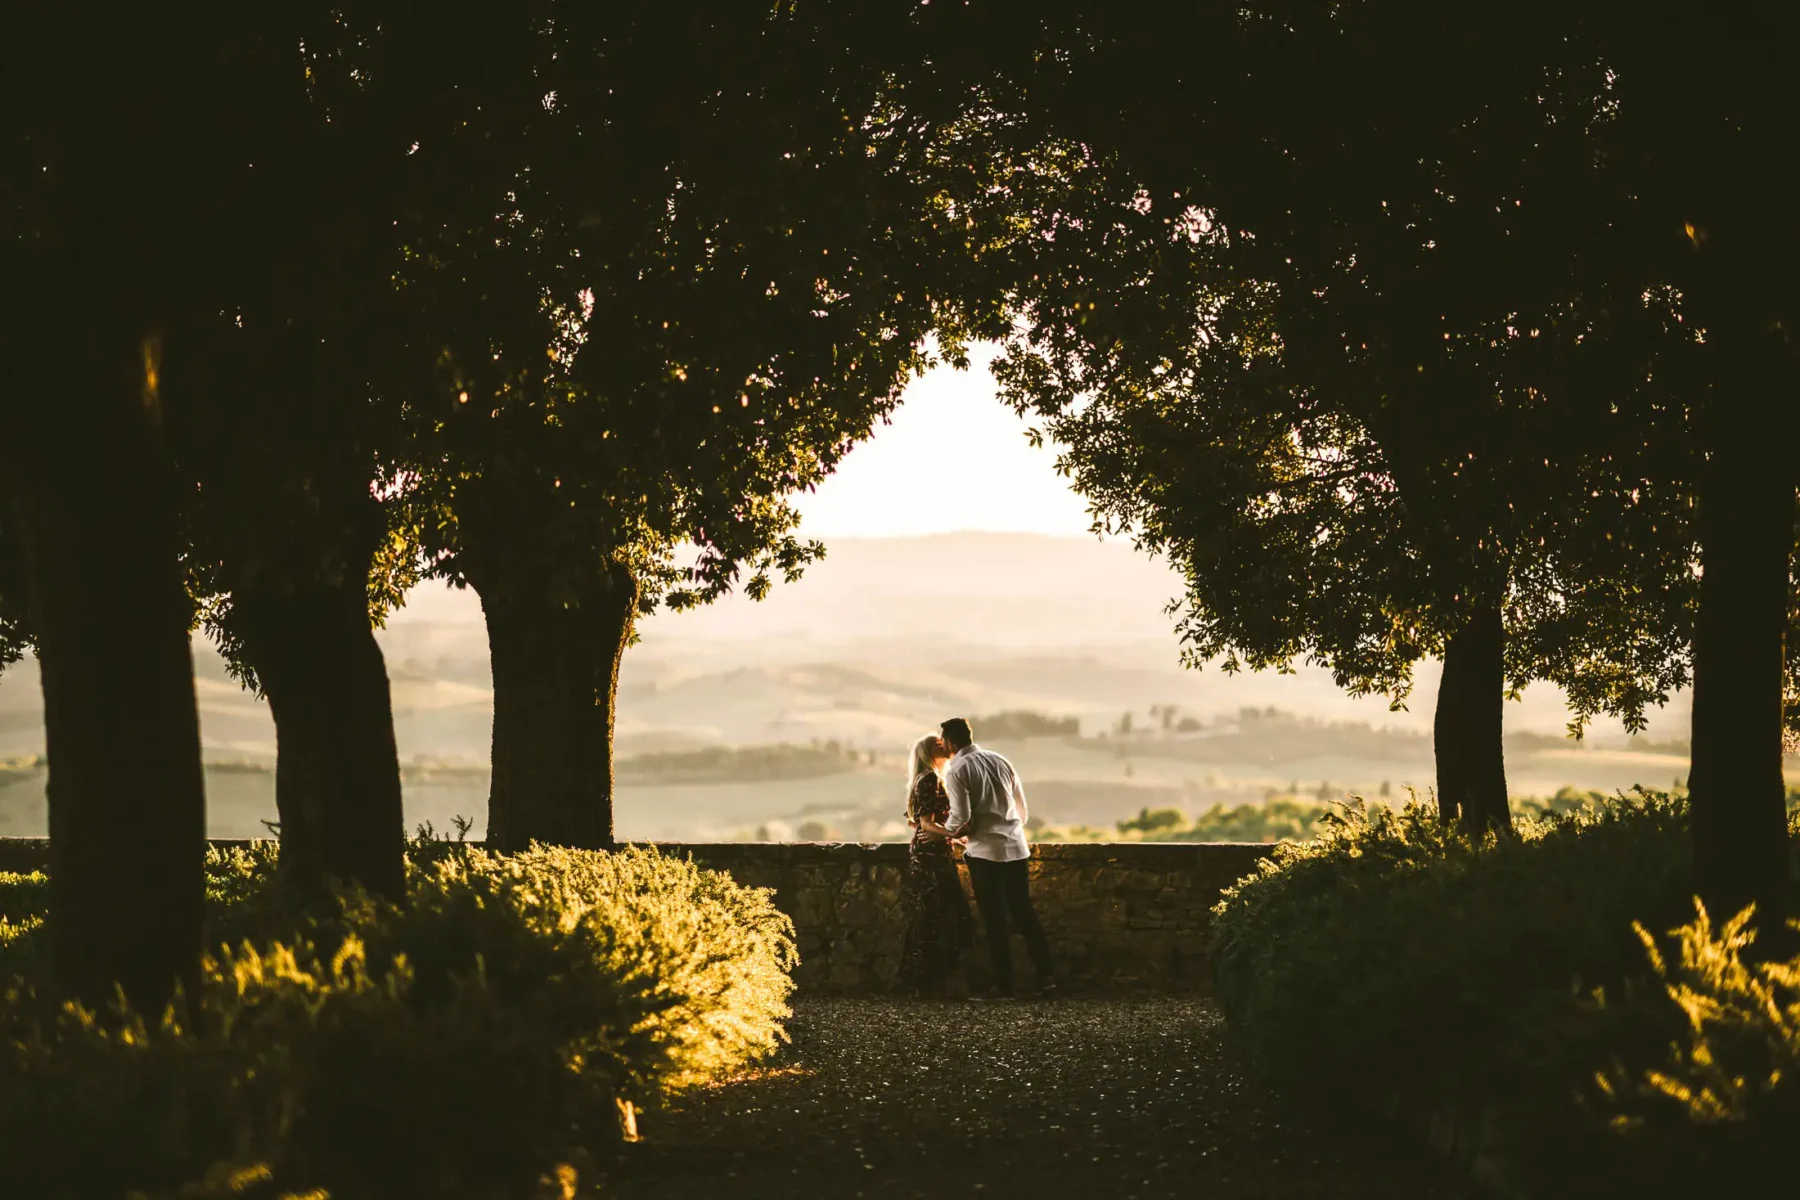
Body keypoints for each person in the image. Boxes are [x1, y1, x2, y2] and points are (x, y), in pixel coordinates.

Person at [940, 716, 1055, 997]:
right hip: (1016, 847)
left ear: (952, 742)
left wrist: (940, 833)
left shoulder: (956, 770)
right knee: (1024, 913)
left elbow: (961, 817)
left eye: (942, 740)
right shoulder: (1000, 760)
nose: (940, 744)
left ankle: (1004, 984)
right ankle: (1047, 976)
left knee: (994, 919)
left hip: (985, 852)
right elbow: (1022, 811)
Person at [898, 733, 974, 997]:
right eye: (937, 744)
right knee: (941, 915)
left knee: (930, 917)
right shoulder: (931, 779)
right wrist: (958, 834)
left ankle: (926, 984)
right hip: (932, 857)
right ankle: (937, 984)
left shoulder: (922, 779)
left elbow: (915, 821)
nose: (943, 744)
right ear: (929, 752)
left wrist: (938, 831)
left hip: (927, 853)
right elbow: (927, 824)